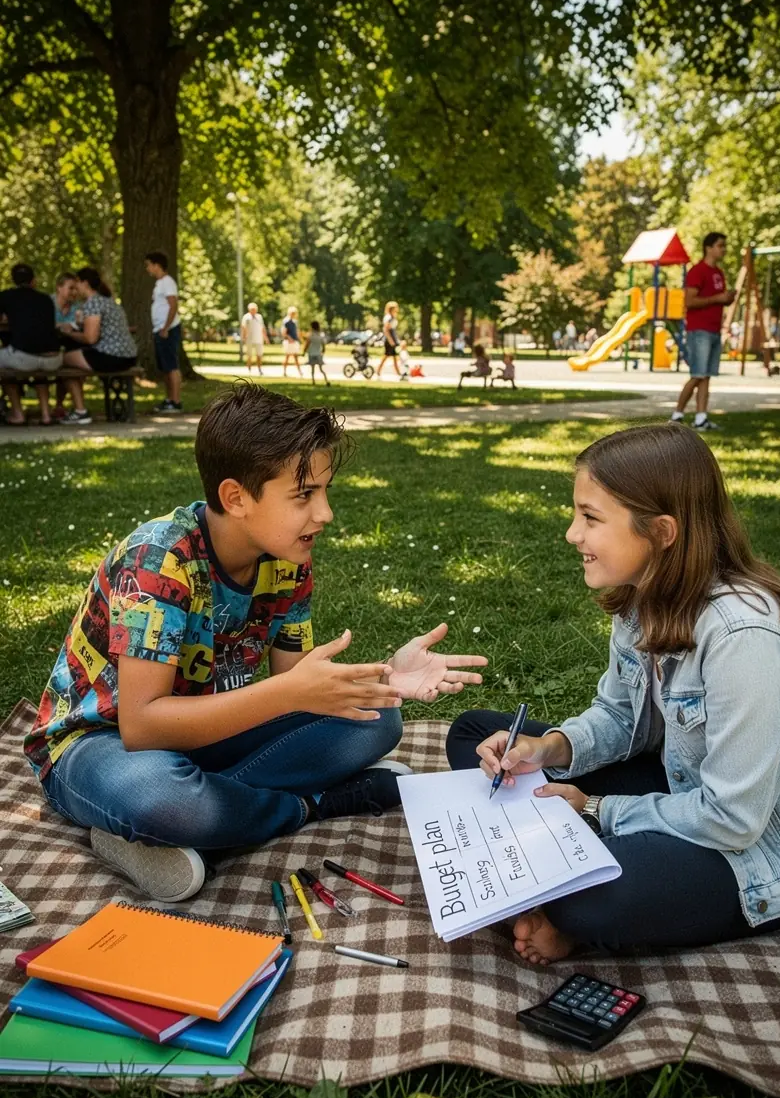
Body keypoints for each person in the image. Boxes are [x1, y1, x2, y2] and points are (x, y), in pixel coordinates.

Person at [24, 385, 487, 904]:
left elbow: (299, 681)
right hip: (98, 745)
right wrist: (291, 695)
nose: (325, 513)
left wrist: (382, 678)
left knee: (379, 717)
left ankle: (195, 825)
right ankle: (310, 806)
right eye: (304, 495)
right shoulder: (158, 559)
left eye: (325, 491)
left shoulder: (289, 558)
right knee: (161, 794)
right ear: (236, 498)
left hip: (207, 734)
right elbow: (142, 724)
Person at [447, 424, 780, 964]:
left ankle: (554, 904)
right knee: (475, 735)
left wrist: (596, 809)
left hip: (762, 847)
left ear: (662, 530)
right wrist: (547, 748)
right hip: (679, 785)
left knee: (584, 901)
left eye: (590, 518)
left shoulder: (745, 635)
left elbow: (735, 819)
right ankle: (540, 885)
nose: (572, 534)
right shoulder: (643, 597)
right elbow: (623, 718)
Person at [670, 232, 736, 431]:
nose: (723, 249)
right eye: (720, 245)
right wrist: (718, 298)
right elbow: (689, 301)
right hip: (699, 330)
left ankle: (701, 418)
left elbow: (719, 299)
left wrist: (728, 298)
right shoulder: (697, 271)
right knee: (698, 374)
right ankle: (677, 415)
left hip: (714, 329)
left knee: (706, 375)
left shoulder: (719, 273)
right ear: (708, 247)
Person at [60, 267, 136, 424]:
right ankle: (78, 407)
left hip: (111, 357)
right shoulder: (108, 301)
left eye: (77, 284)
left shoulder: (93, 303)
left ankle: (80, 411)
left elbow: (90, 338)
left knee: (63, 361)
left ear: (85, 283)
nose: (76, 289)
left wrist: (68, 333)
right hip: (129, 356)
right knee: (75, 362)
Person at [0, 262, 62, 426]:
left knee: (6, 369)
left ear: (13, 280)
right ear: (33, 280)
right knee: (38, 369)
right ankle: (46, 415)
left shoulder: (6, 296)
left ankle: (17, 413)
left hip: (24, 358)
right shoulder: (46, 299)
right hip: (53, 358)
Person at [144, 252, 182, 413]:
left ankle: (176, 401)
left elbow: (173, 305)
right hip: (160, 329)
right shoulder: (160, 283)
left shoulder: (167, 282)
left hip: (169, 329)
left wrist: (166, 327)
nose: (147, 269)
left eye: (148, 265)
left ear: (157, 265)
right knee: (165, 366)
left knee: (171, 365)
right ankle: (169, 399)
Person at [51, 271, 81, 418]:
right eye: (71, 288)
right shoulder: (47, 304)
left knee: (73, 364)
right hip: (49, 347)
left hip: (70, 346)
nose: (74, 292)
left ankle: (64, 405)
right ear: (59, 288)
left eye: (76, 288)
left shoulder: (77, 308)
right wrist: (62, 326)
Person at [241, 302, 268, 374]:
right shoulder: (246, 317)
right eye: (252, 309)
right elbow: (243, 327)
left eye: (255, 309)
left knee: (259, 355)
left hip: (258, 338)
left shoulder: (259, 317)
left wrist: (265, 337)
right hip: (249, 338)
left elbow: (262, 328)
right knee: (249, 355)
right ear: (249, 309)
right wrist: (243, 337)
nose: (254, 310)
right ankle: (249, 368)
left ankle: (259, 369)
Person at [376, 301, 400, 377]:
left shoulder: (393, 317)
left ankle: (398, 372)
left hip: (392, 338)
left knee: (394, 356)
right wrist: (391, 341)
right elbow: (386, 330)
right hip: (389, 339)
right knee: (387, 355)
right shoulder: (388, 317)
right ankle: (378, 370)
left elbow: (393, 330)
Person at [302, 320, 329, 385]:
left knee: (312, 369)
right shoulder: (320, 335)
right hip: (318, 353)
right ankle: (326, 380)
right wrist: (323, 351)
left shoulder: (310, 335)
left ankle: (313, 381)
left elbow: (307, 344)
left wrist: (304, 352)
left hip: (311, 353)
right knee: (321, 369)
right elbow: (323, 345)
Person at [281, 307, 302, 377]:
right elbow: (284, 332)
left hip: (294, 341)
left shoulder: (295, 321)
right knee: (287, 357)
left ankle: (299, 371)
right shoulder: (286, 321)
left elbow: (296, 332)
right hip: (288, 342)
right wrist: (289, 338)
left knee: (295, 357)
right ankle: (284, 371)